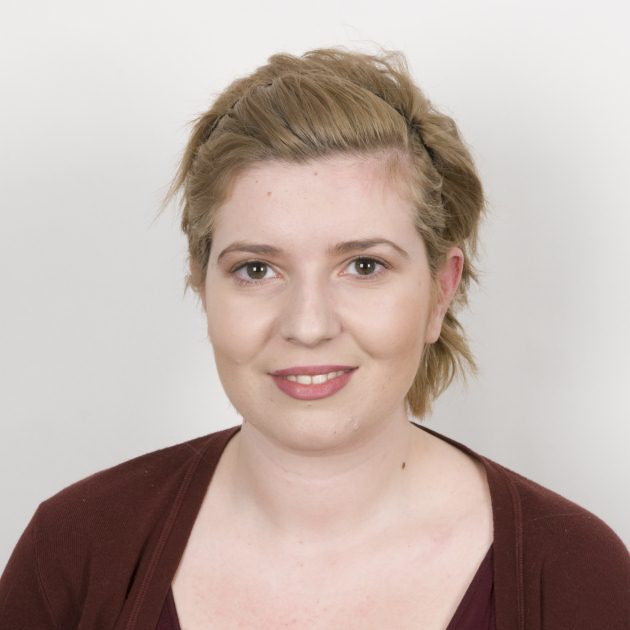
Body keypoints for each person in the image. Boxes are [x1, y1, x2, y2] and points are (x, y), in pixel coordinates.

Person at [1, 46, 628, 630]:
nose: (307, 325)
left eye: (364, 266)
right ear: (201, 284)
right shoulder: (76, 548)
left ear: (441, 288)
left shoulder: (577, 576)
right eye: (256, 269)